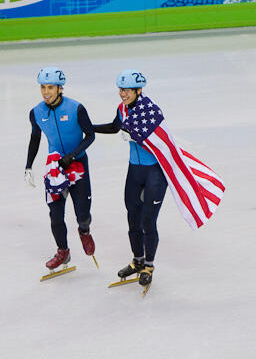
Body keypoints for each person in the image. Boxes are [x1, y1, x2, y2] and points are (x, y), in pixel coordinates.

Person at [93, 69, 168, 286]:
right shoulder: (122, 109)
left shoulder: (151, 110)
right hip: (134, 171)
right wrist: (90, 128)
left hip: (154, 171)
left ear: (138, 90)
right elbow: (115, 127)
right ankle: (137, 260)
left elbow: (159, 140)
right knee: (132, 217)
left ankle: (149, 266)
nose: (122, 94)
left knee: (148, 220)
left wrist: (136, 135)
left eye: (127, 90)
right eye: (120, 89)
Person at [25, 66, 96, 270]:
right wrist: (28, 166)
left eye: (50, 87)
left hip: (78, 165)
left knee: (82, 214)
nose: (46, 92)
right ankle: (63, 252)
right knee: (55, 214)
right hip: (55, 168)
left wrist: (73, 155)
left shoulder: (76, 108)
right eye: (42, 87)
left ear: (60, 89)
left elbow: (90, 135)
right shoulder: (36, 112)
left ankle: (84, 231)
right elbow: (35, 138)